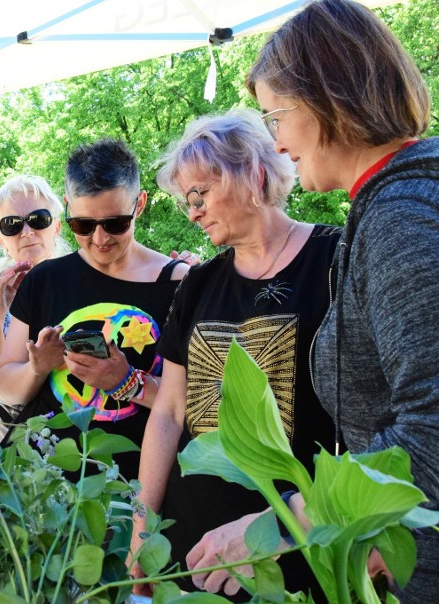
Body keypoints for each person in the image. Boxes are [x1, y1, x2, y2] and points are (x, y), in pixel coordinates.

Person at [203, 0, 439, 600]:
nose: (276, 140)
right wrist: (368, 525)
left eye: (277, 116)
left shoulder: (409, 219)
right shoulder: (438, 192)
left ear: (328, 102)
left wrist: (282, 523)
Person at [128, 109, 340, 597]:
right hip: (193, 546)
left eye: (200, 194)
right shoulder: (198, 285)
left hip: (295, 542)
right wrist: (144, 528)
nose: (193, 211)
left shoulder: (334, 260)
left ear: (253, 173)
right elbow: (169, 413)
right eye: (186, 202)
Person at [0, 138, 190, 481]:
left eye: (115, 223)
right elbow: (6, 385)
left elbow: (197, 404)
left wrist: (126, 381)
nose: (100, 239)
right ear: (68, 208)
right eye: (83, 225)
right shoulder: (43, 279)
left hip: (127, 491)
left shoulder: (180, 284)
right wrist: (37, 368)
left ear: (140, 204)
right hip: (37, 483)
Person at [0, 175, 72, 442]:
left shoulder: (81, 283)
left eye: (39, 220)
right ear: (2, 240)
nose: (26, 232)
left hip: (69, 428)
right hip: (5, 431)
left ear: (56, 227)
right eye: (11, 225)